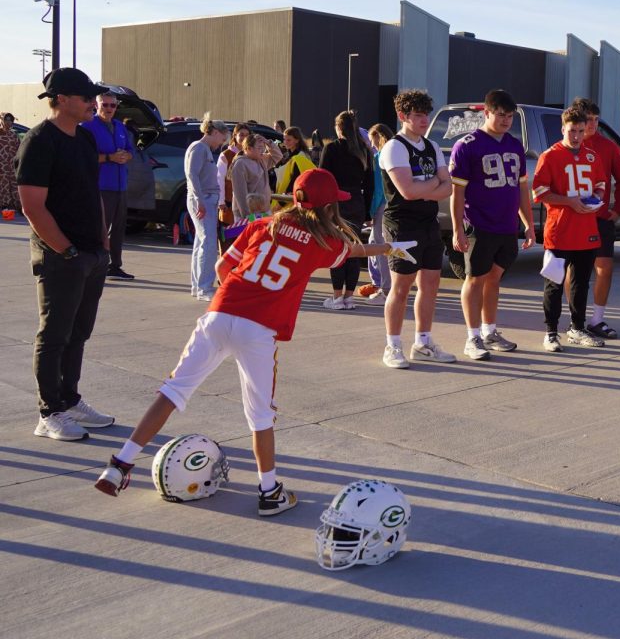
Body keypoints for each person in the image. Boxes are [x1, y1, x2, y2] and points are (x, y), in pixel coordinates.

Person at [94, 168, 414, 514]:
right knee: (261, 415)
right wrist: (387, 247)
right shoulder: (324, 243)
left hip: (218, 314)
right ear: (327, 209)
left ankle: (120, 464)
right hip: (258, 329)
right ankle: (269, 491)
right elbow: (352, 250)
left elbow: (221, 268)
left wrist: (240, 295)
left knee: (173, 391)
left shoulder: (262, 226)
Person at [16, 68, 115, 442]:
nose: (93, 103)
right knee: (54, 333)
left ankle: (70, 400)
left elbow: (93, 195)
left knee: (79, 332)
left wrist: (102, 246)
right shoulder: (40, 141)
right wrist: (67, 250)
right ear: (61, 99)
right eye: (86, 97)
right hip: (61, 256)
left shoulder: (85, 140)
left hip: (91, 252)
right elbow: (32, 206)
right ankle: (49, 412)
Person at [449, 89, 536, 360]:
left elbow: (522, 188)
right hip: (478, 223)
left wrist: (529, 224)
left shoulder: (514, 145)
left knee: (494, 278)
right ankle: (472, 337)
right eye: (501, 115)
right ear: (486, 113)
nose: (506, 120)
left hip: (506, 226)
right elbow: (457, 192)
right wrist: (457, 229)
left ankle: (490, 331)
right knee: (474, 279)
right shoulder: (467, 145)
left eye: (510, 116)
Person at [379, 89, 456, 368]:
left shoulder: (433, 147)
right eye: (418, 115)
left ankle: (423, 343)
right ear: (403, 116)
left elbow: (448, 188)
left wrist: (430, 186)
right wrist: (434, 184)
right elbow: (407, 191)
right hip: (402, 225)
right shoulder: (395, 147)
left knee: (430, 285)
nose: (424, 120)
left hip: (428, 224)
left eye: (427, 114)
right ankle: (393, 345)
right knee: (400, 287)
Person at [534, 106, 604, 351]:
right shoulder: (550, 155)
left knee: (581, 283)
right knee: (554, 282)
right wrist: (570, 201)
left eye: (581, 131)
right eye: (572, 130)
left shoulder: (592, 155)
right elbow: (540, 191)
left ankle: (577, 327)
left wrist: (596, 198)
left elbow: (601, 184)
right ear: (563, 128)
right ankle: (551, 332)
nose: (576, 136)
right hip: (559, 231)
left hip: (586, 229)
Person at [571, 98, 620, 340]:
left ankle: (597, 319)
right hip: (574, 219)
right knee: (574, 271)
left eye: (596, 119)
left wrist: (616, 210)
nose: (593, 124)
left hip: (601, 218)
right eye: (588, 119)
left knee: (604, 267)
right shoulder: (566, 147)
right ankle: (576, 320)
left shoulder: (609, 147)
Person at [319, 111, 374, 311]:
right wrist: (368, 212)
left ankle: (336, 297)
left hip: (336, 202)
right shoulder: (364, 151)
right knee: (353, 249)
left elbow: (322, 177)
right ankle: (349, 296)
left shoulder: (331, 148)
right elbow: (369, 184)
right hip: (357, 202)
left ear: (338, 128)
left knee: (337, 248)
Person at [82, 91, 136, 280]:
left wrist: (125, 156)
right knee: (99, 228)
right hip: (101, 186)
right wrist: (109, 158)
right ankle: (94, 266)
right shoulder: (87, 127)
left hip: (120, 186)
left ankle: (115, 266)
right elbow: (84, 157)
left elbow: (131, 151)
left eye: (112, 105)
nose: (109, 109)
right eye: (105, 105)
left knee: (119, 228)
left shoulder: (120, 127)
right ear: (96, 105)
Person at [185, 115, 230, 301]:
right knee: (209, 244)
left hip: (205, 199)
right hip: (203, 200)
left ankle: (198, 286)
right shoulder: (199, 148)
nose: (222, 143)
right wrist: (200, 200)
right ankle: (204, 288)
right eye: (222, 138)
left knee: (201, 243)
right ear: (215, 132)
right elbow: (192, 175)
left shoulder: (203, 149)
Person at [359, 123, 395, 301]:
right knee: (380, 243)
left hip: (383, 205)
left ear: (379, 137)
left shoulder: (379, 157)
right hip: (394, 204)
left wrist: (371, 212)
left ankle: (385, 288)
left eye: (373, 141)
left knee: (379, 245)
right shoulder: (396, 153)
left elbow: (378, 190)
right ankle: (384, 284)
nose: (371, 145)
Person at [229, 134, 273, 221]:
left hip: (264, 210)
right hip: (249, 214)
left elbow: (278, 156)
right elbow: (240, 194)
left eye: (263, 147)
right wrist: (248, 216)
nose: (262, 151)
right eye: (259, 148)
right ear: (249, 148)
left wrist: (268, 143)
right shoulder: (240, 164)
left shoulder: (261, 159)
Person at [275, 126, 316, 197]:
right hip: (282, 195)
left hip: (291, 197)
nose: (285, 142)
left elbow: (295, 179)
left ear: (297, 140)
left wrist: (282, 201)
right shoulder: (287, 155)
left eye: (289, 140)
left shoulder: (301, 156)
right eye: (284, 139)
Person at [0, 112, 20, 211]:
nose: (8, 122)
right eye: (6, 120)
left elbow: (19, 149)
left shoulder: (13, 135)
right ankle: (4, 204)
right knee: (3, 184)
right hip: (1, 165)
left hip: (12, 165)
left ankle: (14, 205)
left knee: (13, 184)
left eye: (10, 120)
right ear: (2, 121)